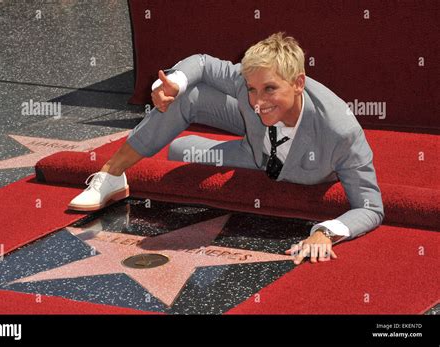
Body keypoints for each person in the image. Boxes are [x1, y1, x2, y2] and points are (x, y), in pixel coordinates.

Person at [68, 32, 384, 265]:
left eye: (270, 89)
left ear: (299, 83)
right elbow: (203, 65)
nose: (258, 100)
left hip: (263, 160)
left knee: (182, 151)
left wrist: (326, 232)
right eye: (251, 89)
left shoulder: (340, 131)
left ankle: (191, 148)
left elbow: (370, 208)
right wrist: (173, 84)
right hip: (256, 137)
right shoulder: (253, 90)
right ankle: (112, 175)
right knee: (187, 97)